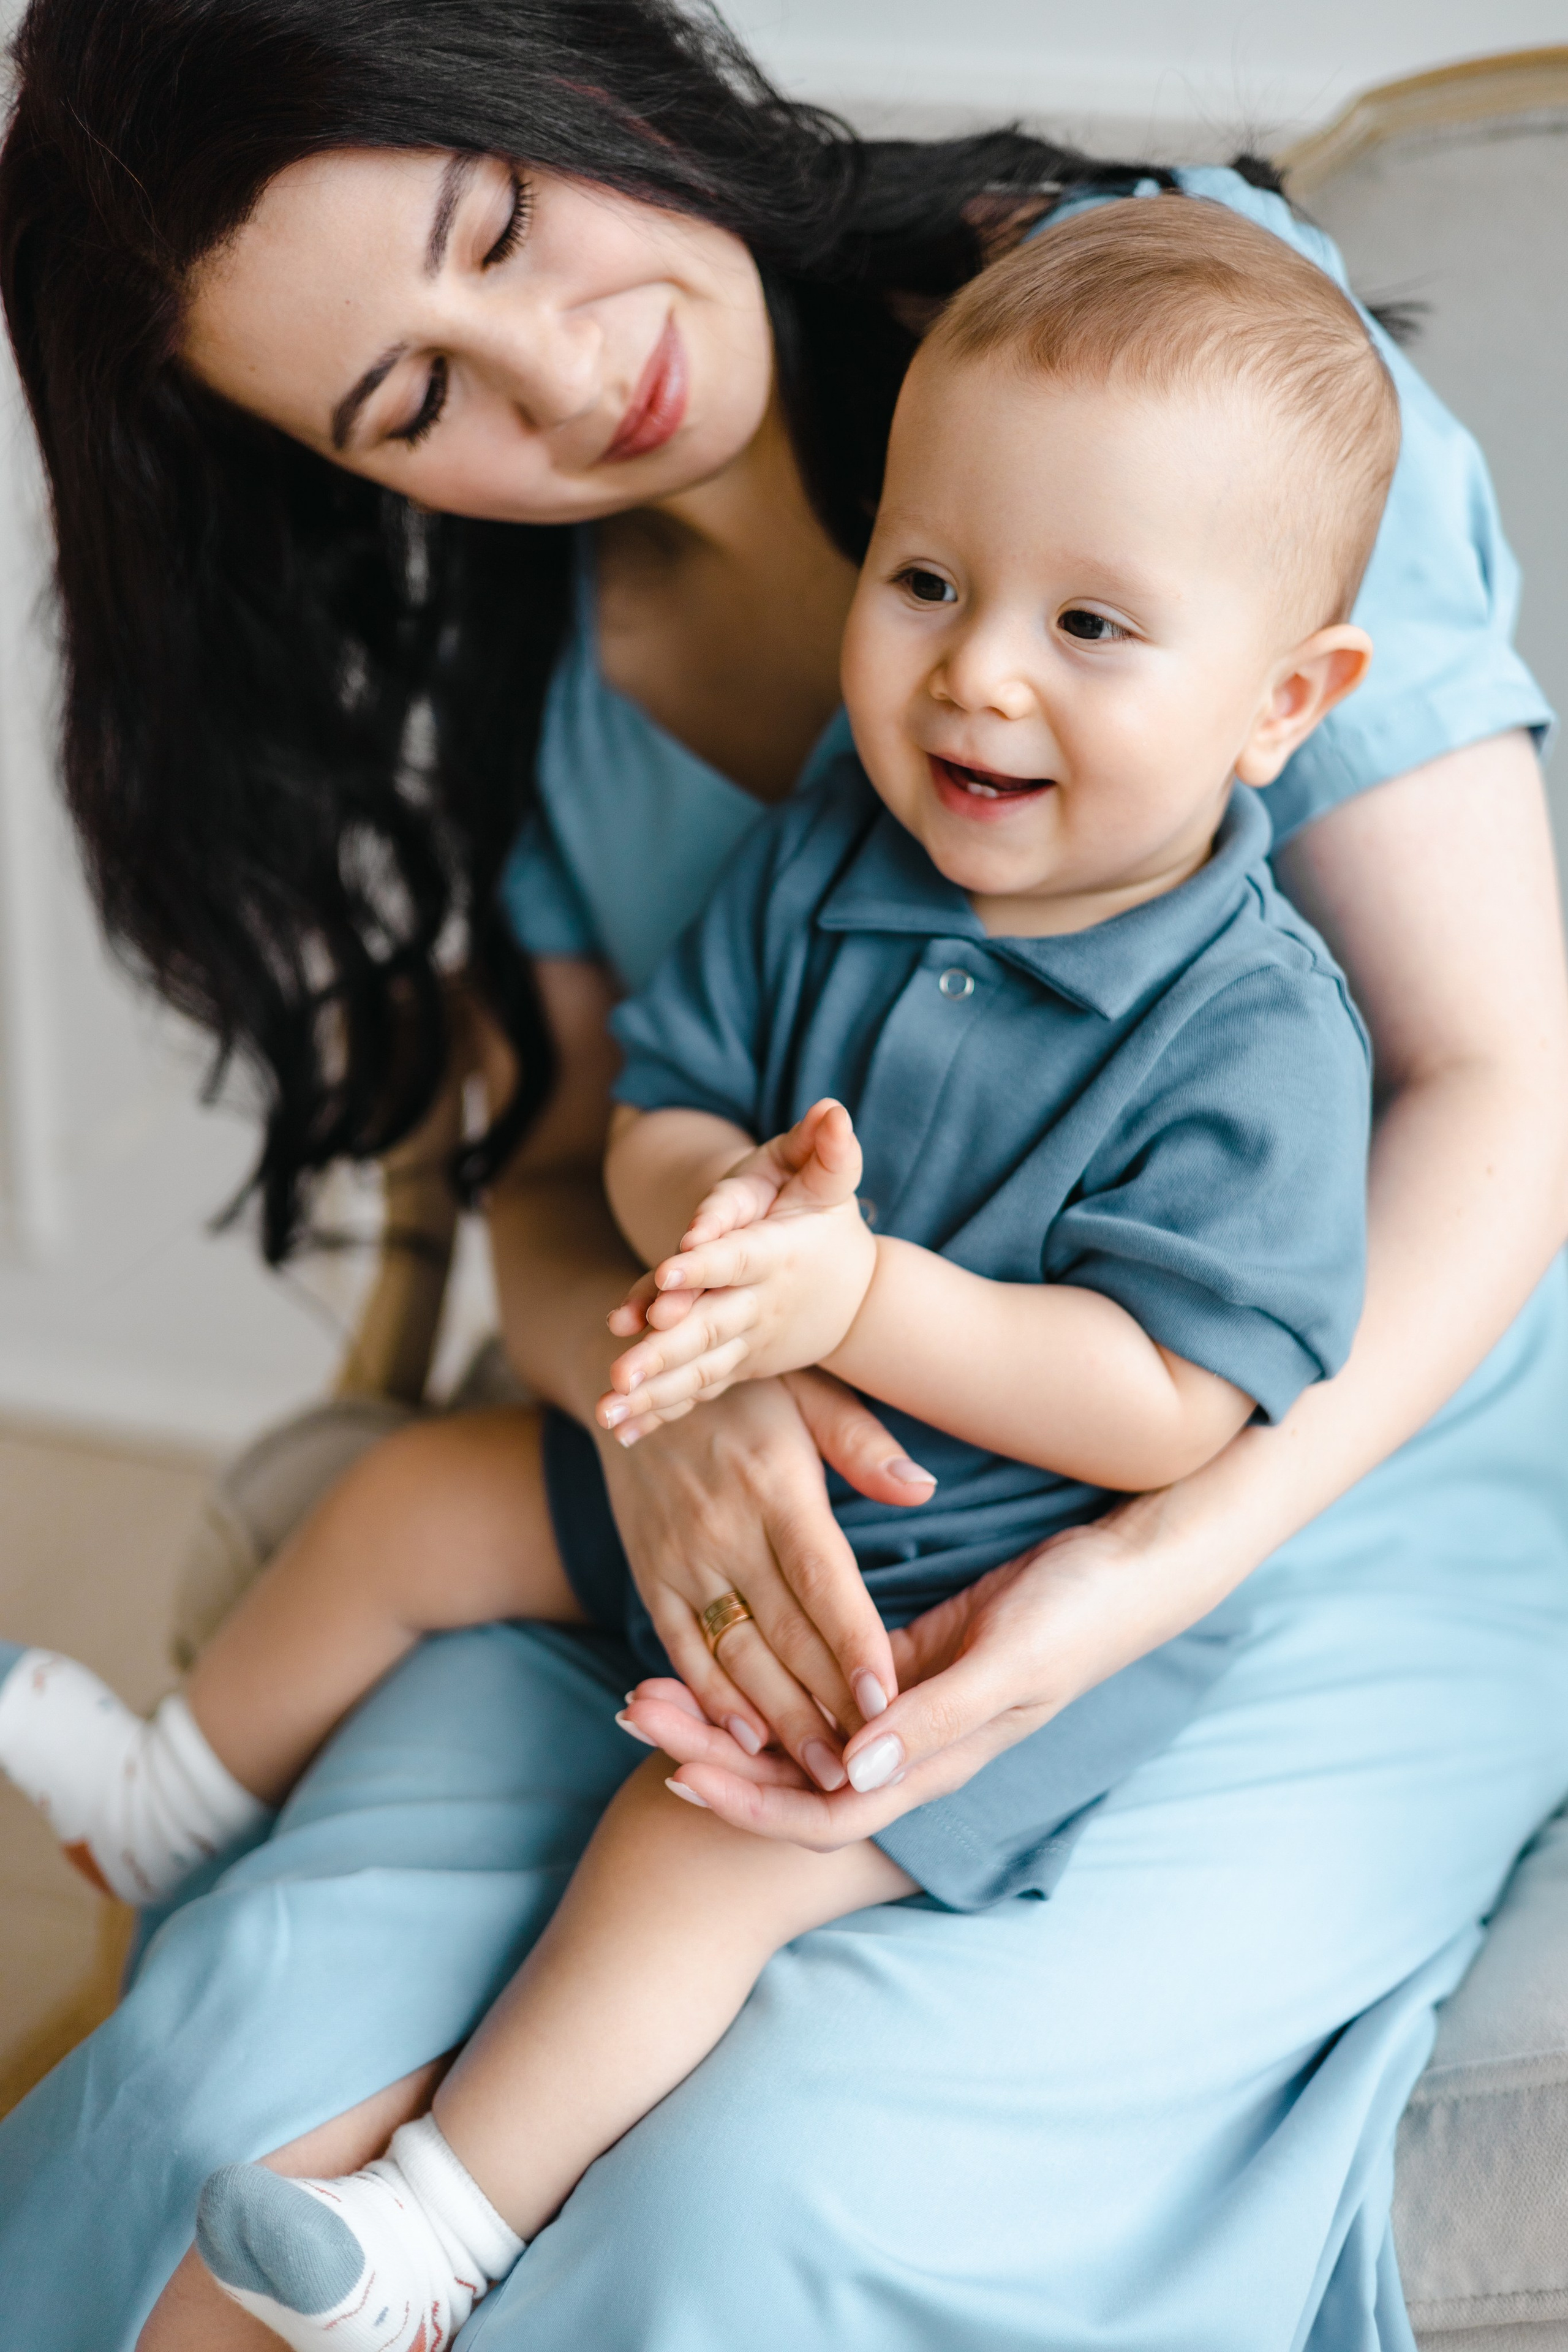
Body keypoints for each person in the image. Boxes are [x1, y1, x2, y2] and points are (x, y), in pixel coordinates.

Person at [0, 6, 1564, 2349]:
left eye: (502, 220)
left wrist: (1133, 1580)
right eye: (414, 399)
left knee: (752, 2210)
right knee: (227, 2088)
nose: (558, 370)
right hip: (755, 1499)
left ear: (573, 68)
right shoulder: (545, 655)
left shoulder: (1177, 362)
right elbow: (563, 1182)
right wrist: (686, 1400)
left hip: (1333, 1476)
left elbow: (1498, 1089)